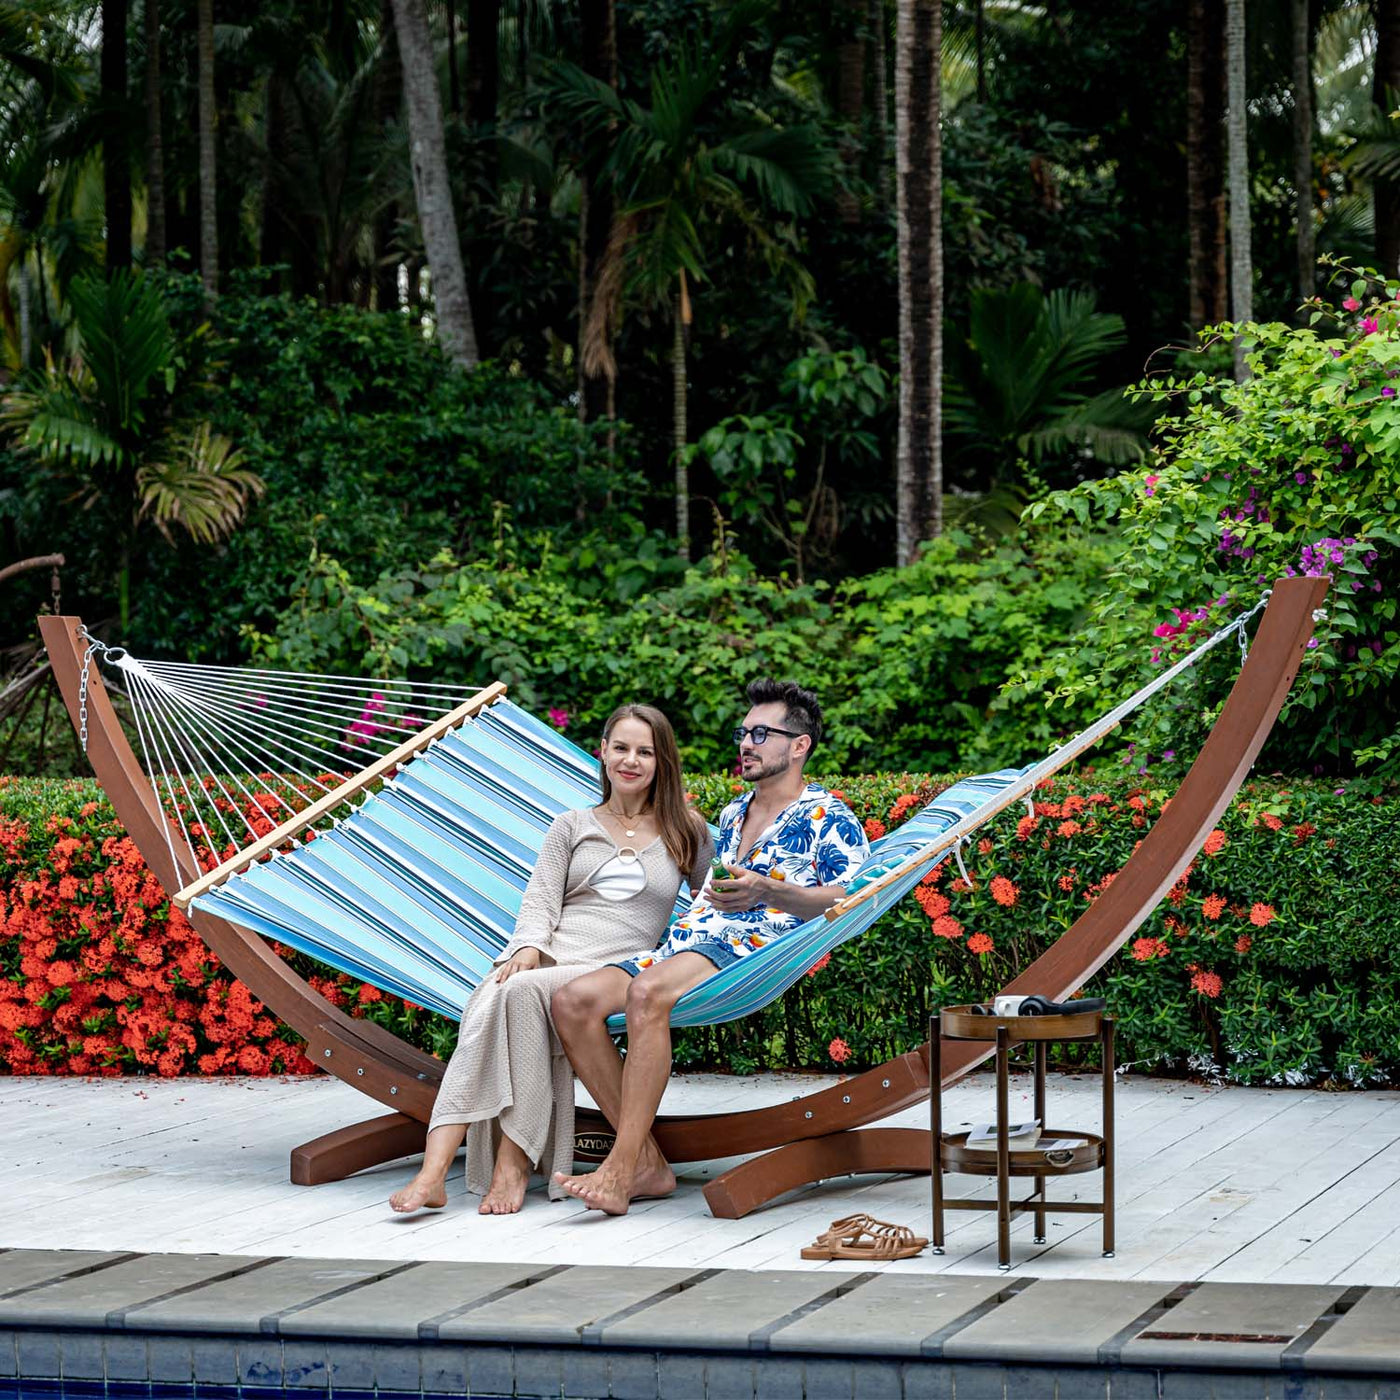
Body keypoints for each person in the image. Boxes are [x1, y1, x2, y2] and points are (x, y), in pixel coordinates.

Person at [550, 678, 869, 1215]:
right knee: (571, 1002)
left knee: (649, 995)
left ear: (799, 746)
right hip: (685, 942)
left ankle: (621, 1169)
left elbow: (850, 897)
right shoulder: (732, 814)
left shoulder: (827, 814)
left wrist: (770, 890)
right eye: (744, 732)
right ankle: (648, 1162)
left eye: (762, 733)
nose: (746, 743)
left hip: (748, 950)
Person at [388, 703, 712, 1216]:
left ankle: (502, 1166)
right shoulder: (571, 824)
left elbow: (710, 907)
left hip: (615, 969)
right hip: (554, 956)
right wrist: (526, 949)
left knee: (515, 992)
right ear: (602, 753)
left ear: (662, 761)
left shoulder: (686, 831)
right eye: (621, 748)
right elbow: (540, 901)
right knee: (500, 990)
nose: (631, 760)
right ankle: (443, 1173)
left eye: (645, 752)